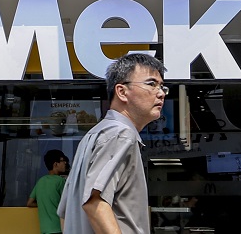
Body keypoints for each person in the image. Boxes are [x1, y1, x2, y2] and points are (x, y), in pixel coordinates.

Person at [57, 53, 167, 234]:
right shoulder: (121, 134)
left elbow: (64, 213)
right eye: (151, 84)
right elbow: (94, 202)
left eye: (162, 86)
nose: (161, 93)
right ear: (122, 92)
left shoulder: (93, 136)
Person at [27, 149, 69, 234]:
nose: (65, 163)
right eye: (62, 160)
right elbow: (67, 203)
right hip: (58, 228)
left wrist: (45, 203)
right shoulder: (60, 181)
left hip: (44, 229)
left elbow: (29, 203)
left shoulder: (40, 181)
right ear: (55, 164)